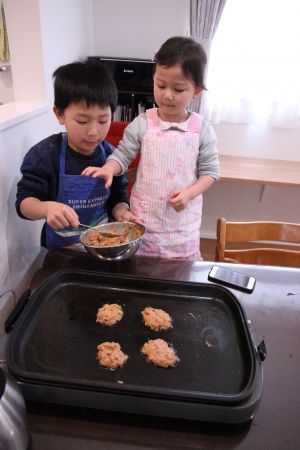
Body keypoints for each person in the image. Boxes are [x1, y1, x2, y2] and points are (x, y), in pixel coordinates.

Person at [82, 37, 220, 260]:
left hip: (182, 226)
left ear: (196, 91)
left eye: (178, 89)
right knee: (142, 271)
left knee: (179, 276)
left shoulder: (201, 129)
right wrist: (109, 168)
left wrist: (190, 193)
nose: (167, 94)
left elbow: (210, 172)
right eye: (160, 85)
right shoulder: (143, 122)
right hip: (144, 222)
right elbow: (123, 155)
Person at [15, 59, 139, 248]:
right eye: (82, 121)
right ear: (60, 114)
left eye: (103, 121)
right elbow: (24, 204)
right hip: (60, 251)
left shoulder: (110, 156)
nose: (93, 132)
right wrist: (47, 208)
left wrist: (122, 211)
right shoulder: (45, 155)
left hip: (102, 245)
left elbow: (117, 196)